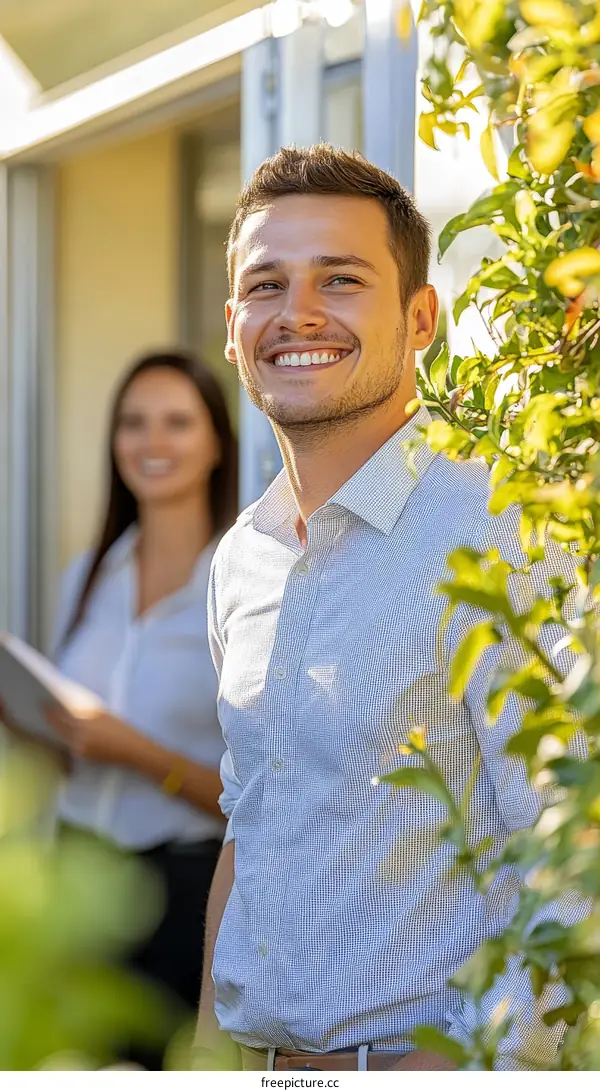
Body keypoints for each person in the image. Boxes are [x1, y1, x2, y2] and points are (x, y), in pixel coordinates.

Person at [195, 145, 582, 1073]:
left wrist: (474, 1062)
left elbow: (578, 854)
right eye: (267, 285)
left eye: (341, 279)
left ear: (420, 317)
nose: (298, 314)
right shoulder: (245, 558)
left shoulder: (499, 537)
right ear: (231, 324)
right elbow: (249, 827)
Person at [2, 349, 237, 1067]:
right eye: (134, 423)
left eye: (176, 422)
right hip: (80, 875)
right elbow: (70, 748)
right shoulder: (91, 574)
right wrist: (35, 721)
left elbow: (262, 794)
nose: (152, 442)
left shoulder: (239, 584)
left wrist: (134, 751)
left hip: (183, 894)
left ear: (217, 442)